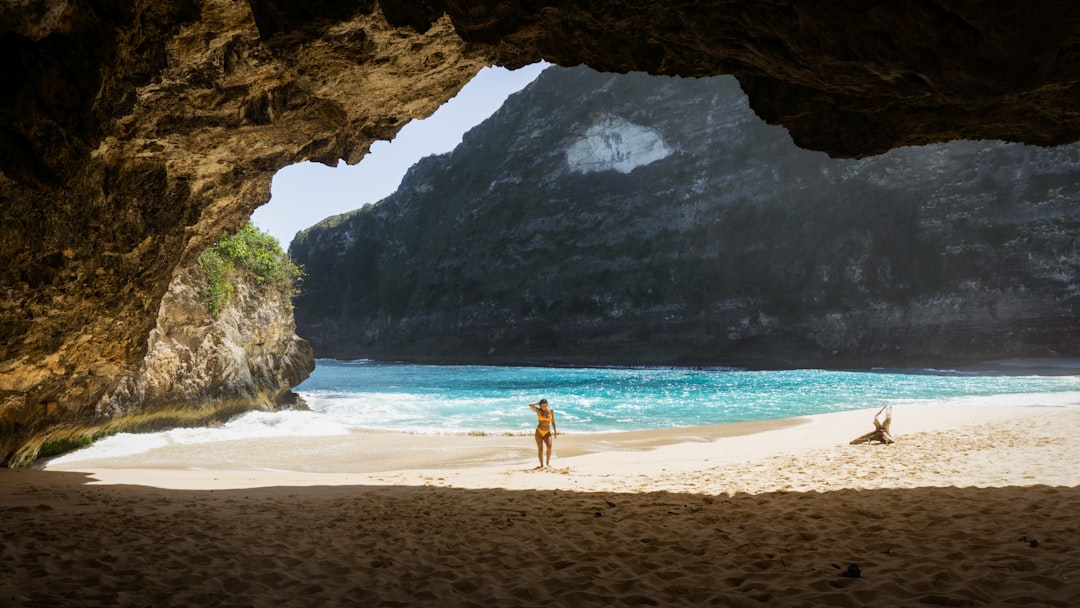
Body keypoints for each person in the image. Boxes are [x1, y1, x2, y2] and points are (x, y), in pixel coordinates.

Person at [528, 398, 557, 468]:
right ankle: (541, 465)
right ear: (540, 406)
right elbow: (530, 405)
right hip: (539, 432)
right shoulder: (538, 411)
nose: (543, 408)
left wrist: (555, 431)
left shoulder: (551, 411)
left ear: (547, 405)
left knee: (549, 447)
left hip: (547, 432)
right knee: (540, 449)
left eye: (545, 406)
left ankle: (547, 463)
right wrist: (538, 403)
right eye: (542, 406)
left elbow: (553, 422)